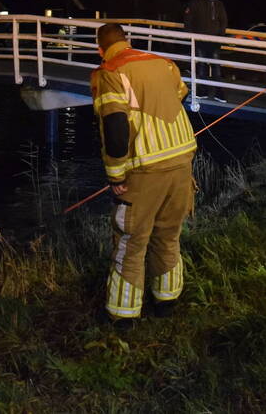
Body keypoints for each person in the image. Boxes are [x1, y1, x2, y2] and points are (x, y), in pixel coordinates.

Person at [90, 23, 197, 323]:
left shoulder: (109, 73)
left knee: (131, 242)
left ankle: (123, 314)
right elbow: (179, 97)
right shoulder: (164, 64)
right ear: (128, 41)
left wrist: (116, 176)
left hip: (145, 168)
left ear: (100, 49)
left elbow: (115, 127)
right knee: (168, 234)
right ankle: (167, 300)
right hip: (182, 159)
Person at [184, 0, 228, 102]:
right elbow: (188, 21)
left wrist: (220, 37)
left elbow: (223, 21)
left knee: (216, 67)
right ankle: (203, 90)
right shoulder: (195, 3)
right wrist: (192, 36)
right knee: (202, 66)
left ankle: (219, 92)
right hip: (199, 41)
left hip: (214, 42)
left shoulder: (219, 4)